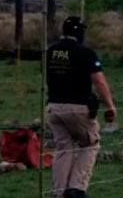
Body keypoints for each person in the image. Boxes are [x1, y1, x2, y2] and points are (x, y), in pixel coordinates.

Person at [46, 16, 116, 198]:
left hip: (53, 107)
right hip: (77, 108)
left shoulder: (50, 51)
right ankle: (76, 188)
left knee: (63, 148)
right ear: (79, 32)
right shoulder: (85, 52)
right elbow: (99, 81)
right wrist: (110, 106)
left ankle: (59, 192)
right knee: (90, 143)